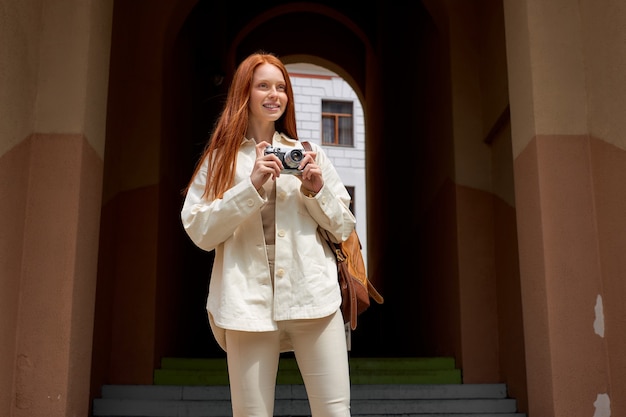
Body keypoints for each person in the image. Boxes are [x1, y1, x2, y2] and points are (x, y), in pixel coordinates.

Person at [181, 51, 355, 417]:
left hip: (313, 298)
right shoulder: (220, 161)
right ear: (245, 92)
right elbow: (199, 230)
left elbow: (343, 227)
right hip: (246, 304)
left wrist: (315, 190)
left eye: (281, 87)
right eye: (263, 86)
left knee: (335, 411)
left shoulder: (309, 154)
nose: (274, 94)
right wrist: (251, 186)